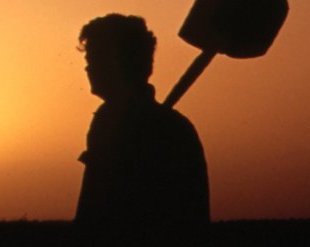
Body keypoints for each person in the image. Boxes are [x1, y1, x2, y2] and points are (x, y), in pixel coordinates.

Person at [75, 14, 209, 226]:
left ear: (119, 61)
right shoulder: (109, 119)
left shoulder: (165, 130)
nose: (88, 68)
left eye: (95, 59)